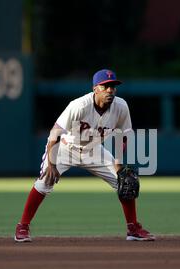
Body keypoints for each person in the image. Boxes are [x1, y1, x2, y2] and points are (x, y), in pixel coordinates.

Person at [14, 69, 155, 242]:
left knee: (125, 182)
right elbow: (54, 133)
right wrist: (51, 164)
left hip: (94, 150)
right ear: (95, 88)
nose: (110, 90)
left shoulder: (121, 107)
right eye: (105, 86)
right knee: (45, 181)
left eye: (113, 86)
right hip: (66, 147)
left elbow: (122, 137)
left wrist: (118, 166)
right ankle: (22, 226)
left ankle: (133, 228)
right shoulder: (79, 106)